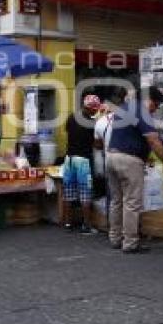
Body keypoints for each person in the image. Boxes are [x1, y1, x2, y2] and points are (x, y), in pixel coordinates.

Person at [105, 86, 163, 254]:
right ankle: (130, 242)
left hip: (111, 157)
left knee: (116, 201)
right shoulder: (141, 110)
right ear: (149, 100)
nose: (154, 110)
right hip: (129, 160)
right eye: (156, 104)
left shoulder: (124, 108)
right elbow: (153, 140)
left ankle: (115, 238)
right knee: (132, 203)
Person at [61, 94, 101, 234]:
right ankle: (87, 225)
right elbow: (97, 143)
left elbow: (68, 133)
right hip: (83, 160)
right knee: (85, 194)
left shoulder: (72, 117)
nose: (96, 111)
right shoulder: (92, 123)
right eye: (95, 109)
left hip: (69, 159)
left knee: (68, 193)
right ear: (91, 108)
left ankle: (67, 223)